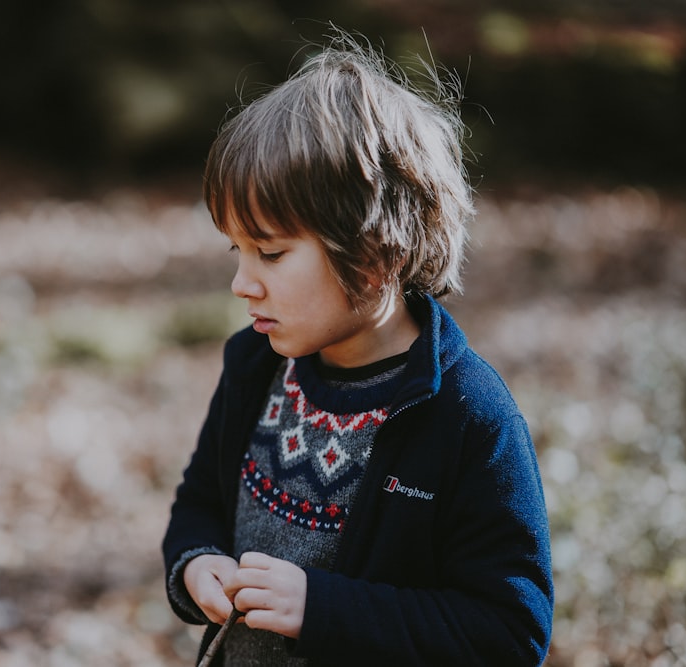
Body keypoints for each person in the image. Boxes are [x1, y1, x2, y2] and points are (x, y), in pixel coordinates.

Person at [162, 33, 553, 666]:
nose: (242, 283)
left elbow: (509, 633)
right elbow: (200, 500)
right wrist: (196, 562)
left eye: (271, 252)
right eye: (236, 250)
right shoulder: (255, 365)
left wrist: (323, 608)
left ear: (374, 260)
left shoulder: (468, 418)